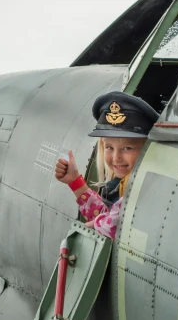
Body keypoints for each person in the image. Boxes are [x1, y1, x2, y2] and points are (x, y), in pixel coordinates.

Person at [54, 91, 160, 240]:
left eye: (127, 148)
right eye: (109, 147)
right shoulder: (122, 184)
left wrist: (96, 224)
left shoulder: (147, 186)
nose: (116, 158)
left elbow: (113, 226)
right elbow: (107, 216)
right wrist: (75, 182)